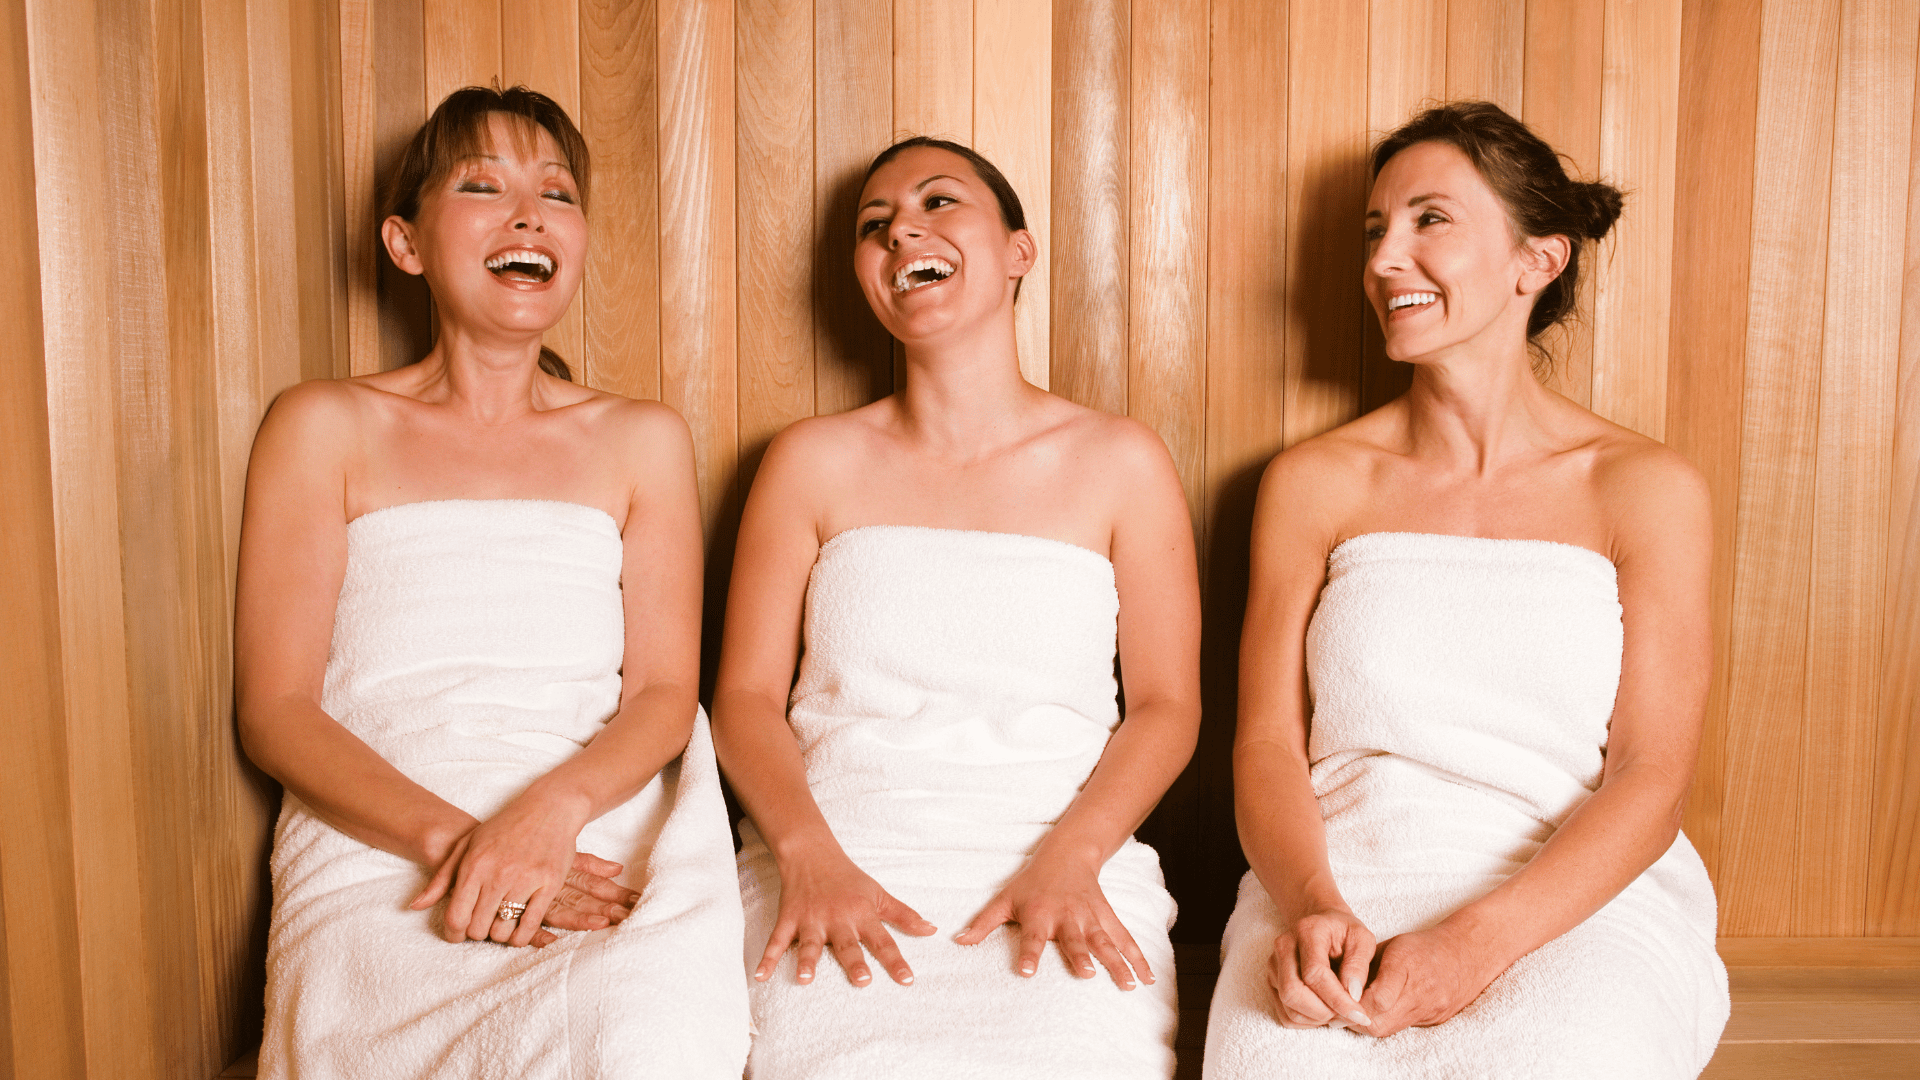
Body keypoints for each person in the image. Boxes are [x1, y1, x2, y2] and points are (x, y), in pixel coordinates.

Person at [1203, 102, 1729, 1079]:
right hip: (1333, 885)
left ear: (1539, 260)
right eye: (1374, 231)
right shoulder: (1315, 484)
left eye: (1428, 220)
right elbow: (1267, 744)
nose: (1384, 259)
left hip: (1571, 895)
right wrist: (1312, 905)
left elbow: (1651, 774)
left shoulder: (1643, 489)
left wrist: (1479, 943)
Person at [238, 85, 746, 1079]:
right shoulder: (322, 426)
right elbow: (277, 709)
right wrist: (471, 845)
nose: (529, 213)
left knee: (635, 1032)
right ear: (406, 242)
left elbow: (659, 694)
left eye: (556, 193)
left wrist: (548, 823)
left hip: (593, 813)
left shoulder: (641, 440)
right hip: (379, 827)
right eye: (483, 185)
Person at [711, 137, 1202, 1078]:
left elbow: (1167, 707)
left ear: (1019, 250)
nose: (903, 229)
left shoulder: (1119, 462)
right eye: (874, 225)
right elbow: (742, 698)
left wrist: (1075, 854)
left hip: (1063, 844)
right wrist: (808, 856)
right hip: (838, 844)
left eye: (940, 203)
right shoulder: (811, 462)